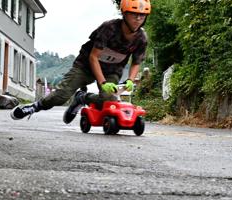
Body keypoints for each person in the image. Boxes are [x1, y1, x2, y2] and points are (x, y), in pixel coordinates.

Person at [11, 0, 151, 123]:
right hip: (86, 66)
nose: (138, 18)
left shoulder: (141, 38)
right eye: (134, 14)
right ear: (124, 14)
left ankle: (82, 98)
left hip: (111, 71)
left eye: (142, 15)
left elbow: (136, 62)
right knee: (61, 96)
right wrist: (102, 83)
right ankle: (34, 107)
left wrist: (131, 80)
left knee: (109, 101)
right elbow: (93, 57)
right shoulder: (109, 28)